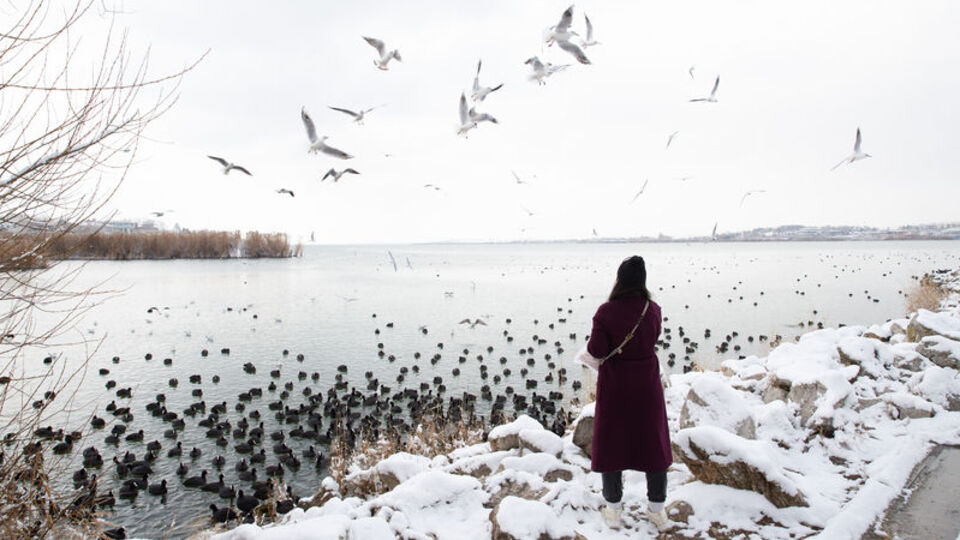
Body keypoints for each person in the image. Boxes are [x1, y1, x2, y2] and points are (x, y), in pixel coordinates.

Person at [587, 255, 672, 530]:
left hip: (616, 387)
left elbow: (597, 350)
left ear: (619, 279)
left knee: (613, 444)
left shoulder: (606, 311)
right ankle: (657, 510)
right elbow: (651, 339)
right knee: (653, 444)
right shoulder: (653, 309)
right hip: (646, 385)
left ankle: (613, 510)